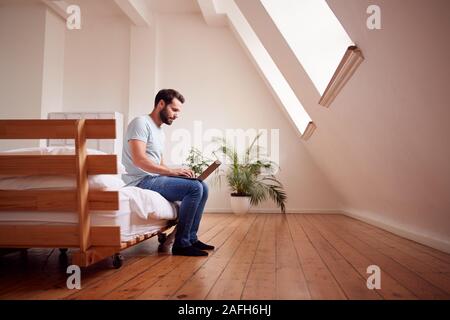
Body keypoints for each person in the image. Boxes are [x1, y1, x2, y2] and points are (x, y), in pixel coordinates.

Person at [122, 89, 214, 257]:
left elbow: (160, 163)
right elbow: (139, 160)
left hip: (154, 178)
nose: (177, 115)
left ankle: (191, 238)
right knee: (194, 189)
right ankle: (181, 244)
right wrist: (172, 171)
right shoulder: (140, 123)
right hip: (140, 180)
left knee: (202, 186)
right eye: (174, 110)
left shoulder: (159, 131)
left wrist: (178, 173)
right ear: (161, 104)